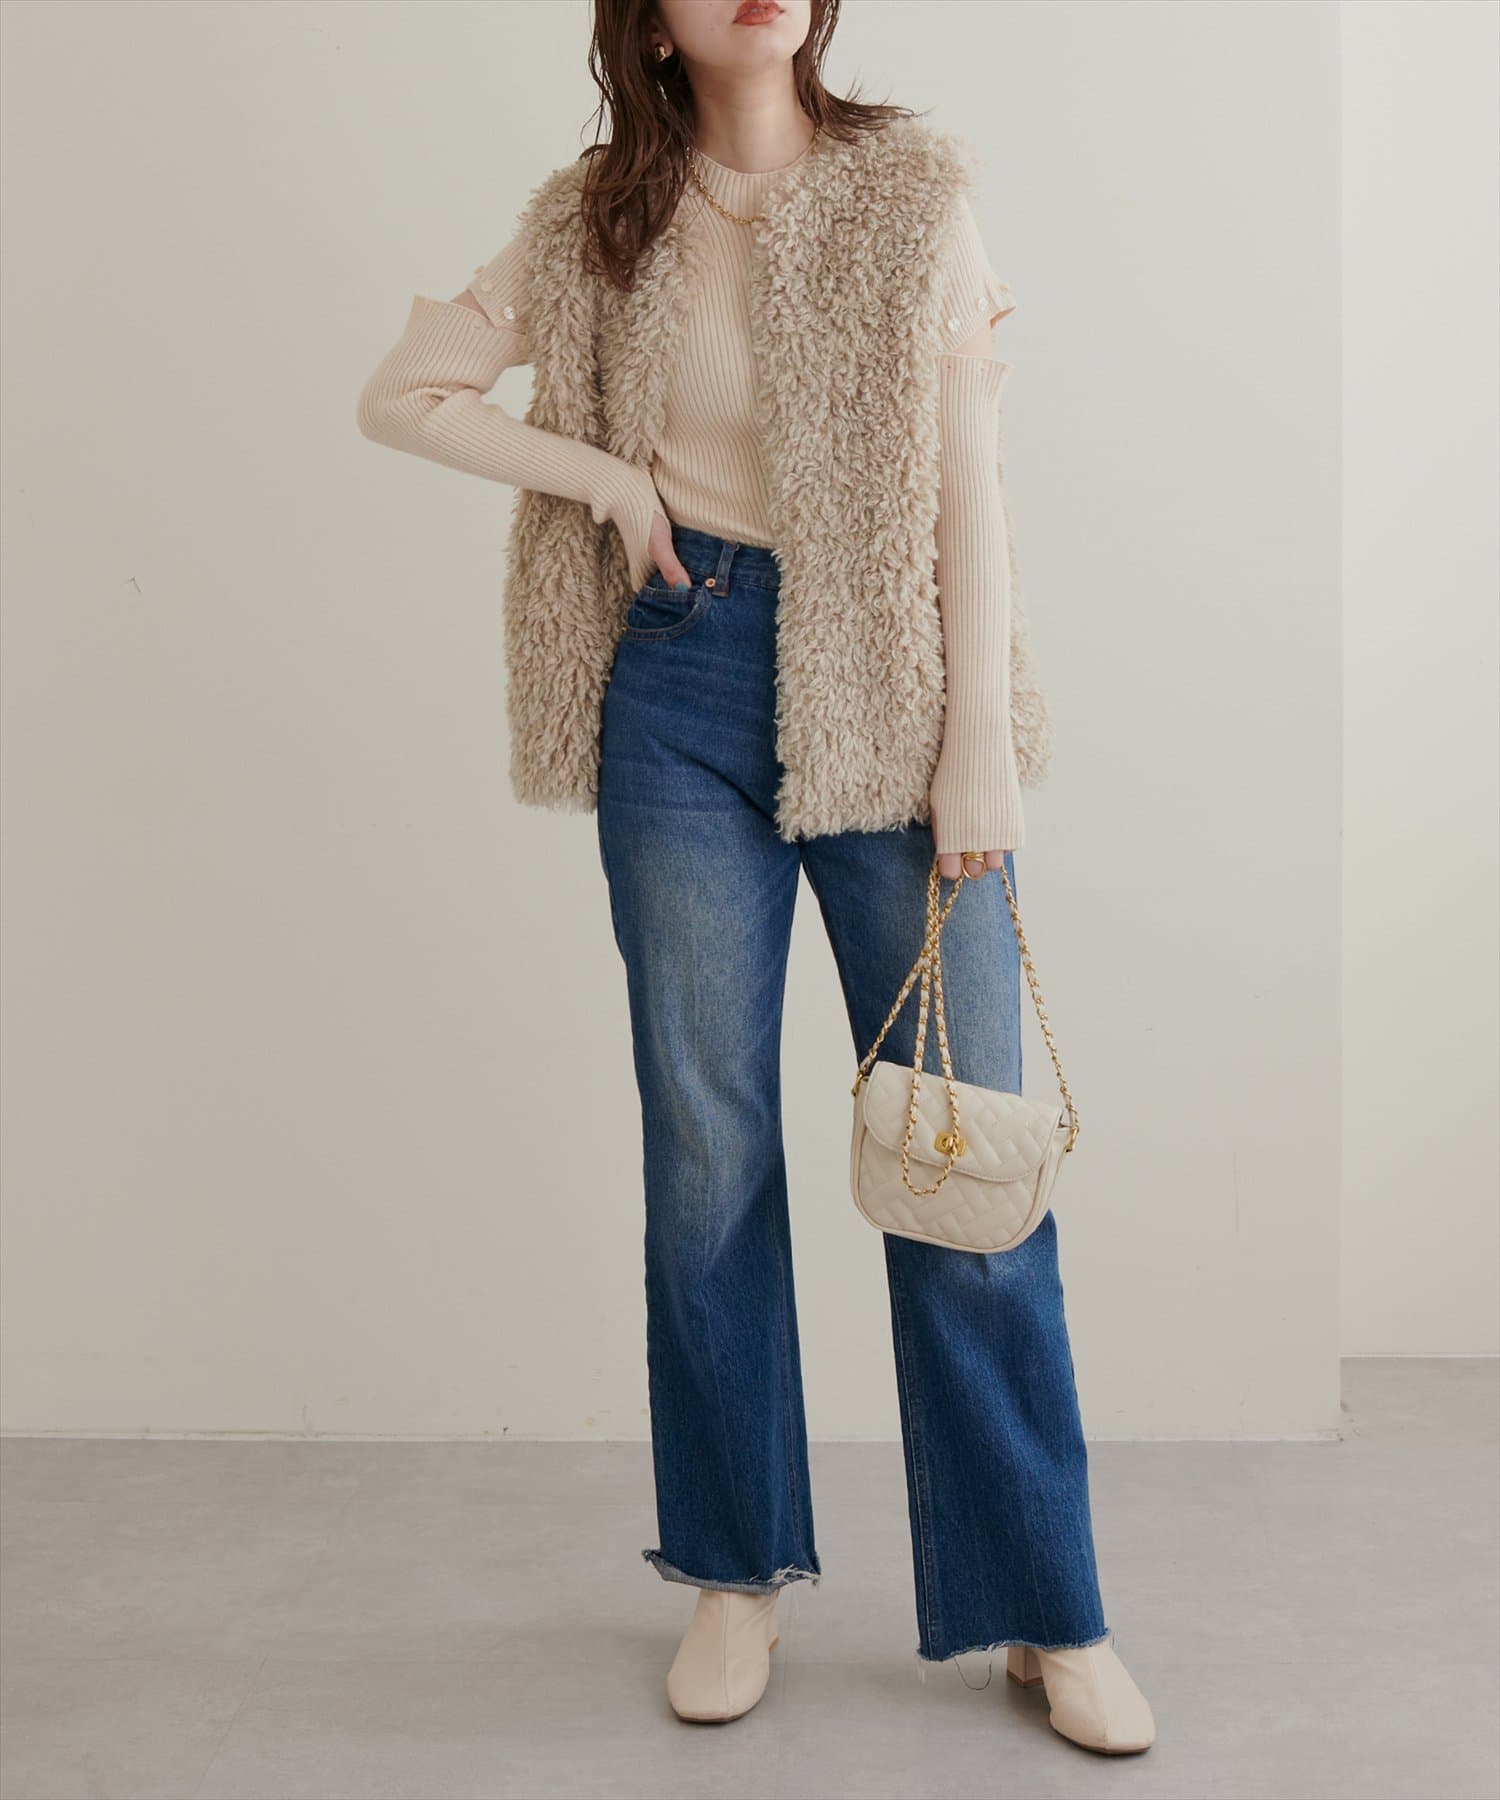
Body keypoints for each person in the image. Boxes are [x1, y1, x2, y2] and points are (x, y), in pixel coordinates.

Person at [356, 0, 1154, 1757]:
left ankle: (1046, 1601)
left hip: (893, 685)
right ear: (646, 21)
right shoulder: (594, 217)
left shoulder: (911, 188)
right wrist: (605, 483)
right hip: (678, 678)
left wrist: (975, 746)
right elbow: (400, 396)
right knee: (707, 1147)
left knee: (965, 1144)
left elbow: (969, 480)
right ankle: (732, 1569)